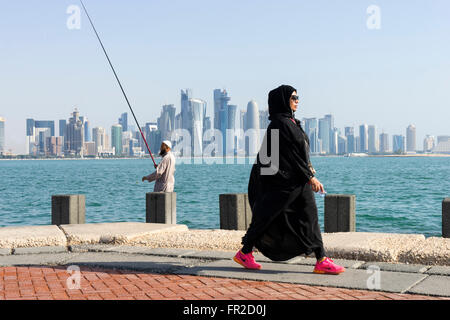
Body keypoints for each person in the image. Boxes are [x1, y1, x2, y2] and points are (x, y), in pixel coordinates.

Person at [233, 85, 345, 275]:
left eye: (298, 97)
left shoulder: (290, 122)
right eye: (293, 97)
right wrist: (310, 177)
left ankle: (321, 258)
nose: (297, 100)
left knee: (308, 216)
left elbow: (298, 154)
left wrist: (308, 171)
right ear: (283, 100)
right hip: (283, 183)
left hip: (294, 181)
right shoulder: (280, 123)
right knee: (268, 217)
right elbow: (289, 156)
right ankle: (245, 252)